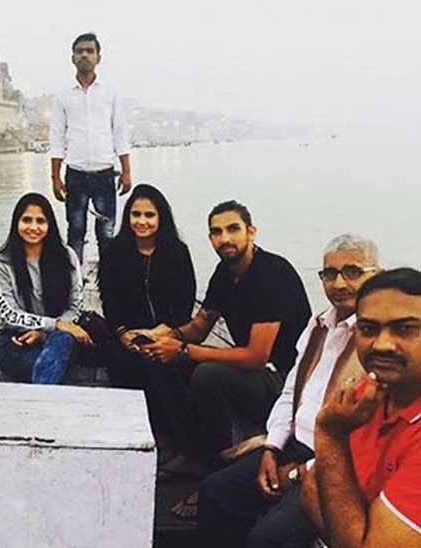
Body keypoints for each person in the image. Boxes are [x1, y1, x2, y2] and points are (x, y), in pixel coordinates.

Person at [174, 234, 379, 547]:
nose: (338, 284)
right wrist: (271, 448)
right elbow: (290, 392)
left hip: (337, 464)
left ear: (375, 275)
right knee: (215, 491)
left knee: (269, 538)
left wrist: (298, 472)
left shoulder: (379, 342)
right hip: (294, 445)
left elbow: (370, 438)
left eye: (352, 272)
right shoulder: (318, 326)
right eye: (330, 274)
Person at [141, 200, 312, 479]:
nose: (225, 239)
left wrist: (184, 351)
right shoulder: (225, 271)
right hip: (257, 370)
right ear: (210, 239)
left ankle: (218, 465)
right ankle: (190, 450)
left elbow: (257, 356)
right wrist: (168, 336)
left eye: (233, 229)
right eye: (217, 232)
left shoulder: (272, 274)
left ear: (251, 231)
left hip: (285, 381)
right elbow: (200, 325)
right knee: (157, 359)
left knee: (208, 374)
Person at [301, 268, 421, 548]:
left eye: (404, 328)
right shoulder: (367, 396)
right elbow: (311, 488)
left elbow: (325, 482)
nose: (382, 344)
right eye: (368, 329)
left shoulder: (341, 421)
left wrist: (330, 436)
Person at [98, 184, 196, 428]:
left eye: (149, 215)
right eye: (136, 214)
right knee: (126, 364)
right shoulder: (113, 251)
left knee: (164, 365)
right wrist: (122, 333)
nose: (142, 221)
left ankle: (171, 432)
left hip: (168, 332)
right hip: (126, 335)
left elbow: (185, 301)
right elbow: (109, 300)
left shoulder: (177, 252)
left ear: (161, 218)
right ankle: (138, 427)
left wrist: (163, 330)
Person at [0, 192, 92, 384]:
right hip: (15, 340)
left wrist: (45, 333)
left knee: (61, 342)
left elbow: (75, 306)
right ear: (15, 223)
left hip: (59, 338)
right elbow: (9, 315)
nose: (33, 227)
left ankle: (40, 399)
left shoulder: (67, 256)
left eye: (40, 221)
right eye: (26, 220)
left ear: (49, 224)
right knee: (50, 362)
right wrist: (55, 324)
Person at [49, 32, 132, 262]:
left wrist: (127, 172)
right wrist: (55, 176)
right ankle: (73, 286)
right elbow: (56, 139)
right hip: (75, 175)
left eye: (90, 51)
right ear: (72, 58)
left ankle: (110, 286)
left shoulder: (110, 94)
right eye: (80, 51)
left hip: (105, 174)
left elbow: (120, 134)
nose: (84, 55)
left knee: (106, 233)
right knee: (75, 232)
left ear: (98, 57)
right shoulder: (63, 97)